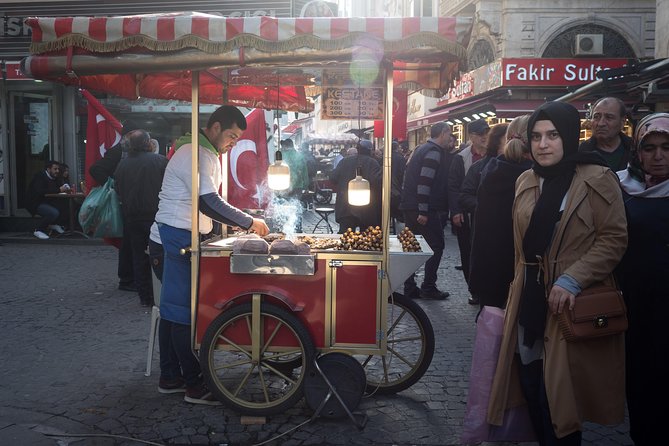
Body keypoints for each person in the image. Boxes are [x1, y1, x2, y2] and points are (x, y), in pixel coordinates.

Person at [487, 102, 627, 445]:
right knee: (531, 387)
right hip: (528, 299)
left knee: (560, 401)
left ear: (567, 136)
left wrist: (573, 278)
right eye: (535, 136)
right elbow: (517, 247)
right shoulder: (526, 180)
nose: (543, 144)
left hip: (569, 302)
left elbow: (614, 238)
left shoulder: (597, 177)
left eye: (552, 135)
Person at [155, 105, 269, 405]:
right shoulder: (195, 153)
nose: (233, 143)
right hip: (177, 236)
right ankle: (194, 385)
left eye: (237, 138)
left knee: (170, 311)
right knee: (181, 313)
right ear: (215, 127)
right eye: (231, 135)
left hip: (178, 233)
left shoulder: (203, 153)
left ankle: (169, 377)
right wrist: (249, 222)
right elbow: (208, 201)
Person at [616, 112, 669, 446]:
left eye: (666, 147)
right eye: (649, 147)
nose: (658, 156)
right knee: (639, 376)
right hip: (634, 302)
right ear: (637, 150)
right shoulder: (621, 186)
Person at [468, 116, 532, 310]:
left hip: (491, 269)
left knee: (492, 328)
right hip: (517, 270)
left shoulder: (492, 170)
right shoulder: (529, 175)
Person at [399, 122, 454, 300]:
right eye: (450, 134)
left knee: (411, 246)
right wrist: (423, 210)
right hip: (422, 208)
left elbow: (408, 178)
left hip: (410, 205)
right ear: (443, 133)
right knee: (436, 245)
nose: (451, 138)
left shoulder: (420, 149)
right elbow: (425, 182)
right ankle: (428, 286)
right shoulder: (434, 152)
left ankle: (409, 287)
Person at [114, 129, 168, 307]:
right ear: (148, 143)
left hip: (133, 217)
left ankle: (145, 296)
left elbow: (118, 189)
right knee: (160, 255)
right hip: (156, 215)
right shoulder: (160, 161)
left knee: (139, 256)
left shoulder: (122, 165)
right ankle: (162, 294)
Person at [457, 122, 509, 305]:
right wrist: (485, 207)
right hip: (485, 231)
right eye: (508, 140)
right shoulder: (479, 168)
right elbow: (464, 194)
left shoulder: (525, 168)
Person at [89, 124, 139, 292]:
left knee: (129, 241)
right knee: (127, 242)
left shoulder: (127, 149)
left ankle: (129, 278)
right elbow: (95, 169)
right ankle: (126, 279)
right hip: (122, 202)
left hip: (129, 201)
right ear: (130, 134)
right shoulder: (118, 151)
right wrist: (114, 185)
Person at [448, 118, 489, 301]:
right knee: (467, 252)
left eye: (486, 133)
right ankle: (473, 289)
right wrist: (455, 211)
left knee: (485, 251)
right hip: (466, 213)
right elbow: (453, 186)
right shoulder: (461, 157)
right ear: (472, 136)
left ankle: (486, 287)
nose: (484, 137)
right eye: (481, 134)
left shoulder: (493, 154)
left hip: (488, 214)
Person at [329, 139, 382, 232]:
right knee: (367, 240)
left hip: (346, 208)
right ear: (370, 151)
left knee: (346, 239)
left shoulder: (344, 161)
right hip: (367, 209)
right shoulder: (373, 163)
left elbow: (333, 178)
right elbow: (378, 183)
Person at [578, 96, 632, 171]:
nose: (601, 123)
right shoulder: (581, 153)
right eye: (596, 117)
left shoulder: (635, 150)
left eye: (609, 117)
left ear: (622, 122)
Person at [26, 160, 68, 239]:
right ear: (48, 169)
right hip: (36, 203)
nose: (57, 171)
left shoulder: (55, 177)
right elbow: (41, 191)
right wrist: (59, 190)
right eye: (55, 169)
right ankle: (38, 230)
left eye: (58, 169)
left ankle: (54, 224)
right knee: (53, 212)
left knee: (67, 205)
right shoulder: (40, 177)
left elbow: (59, 187)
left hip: (48, 201)